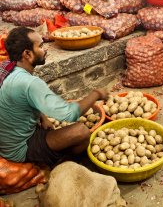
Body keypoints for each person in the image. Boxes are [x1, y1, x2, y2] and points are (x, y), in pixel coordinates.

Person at [0, 27, 108, 167]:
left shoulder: (8, 67)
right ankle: (60, 166)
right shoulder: (29, 83)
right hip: (19, 148)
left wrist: (43, 118)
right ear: (27, 54)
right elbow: (70, 114)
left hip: (7, 139)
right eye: (40, 46)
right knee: (81, 132)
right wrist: (97, 94)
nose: (45, 50)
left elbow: (26, 99)